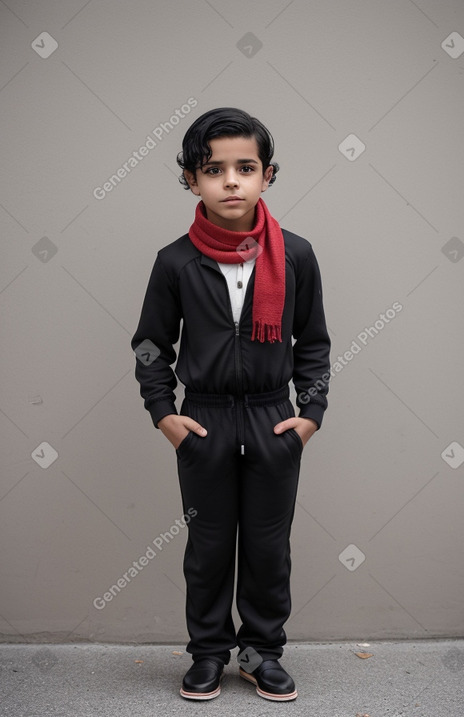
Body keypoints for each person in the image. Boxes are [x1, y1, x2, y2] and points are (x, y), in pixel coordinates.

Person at [131, 107, 330, 701]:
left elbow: (314, 343)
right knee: (209, 546)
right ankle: (209, 654)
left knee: (269, 548)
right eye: (213, 169)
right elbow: (149, 346)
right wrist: (165, 415)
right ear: (192, 181)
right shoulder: (175, 262)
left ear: (268, 175)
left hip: (274, 421)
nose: (231, 181)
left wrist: (309, 416)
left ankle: (261, 653)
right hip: (205, 421)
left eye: (245, 167)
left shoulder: (296, 256)